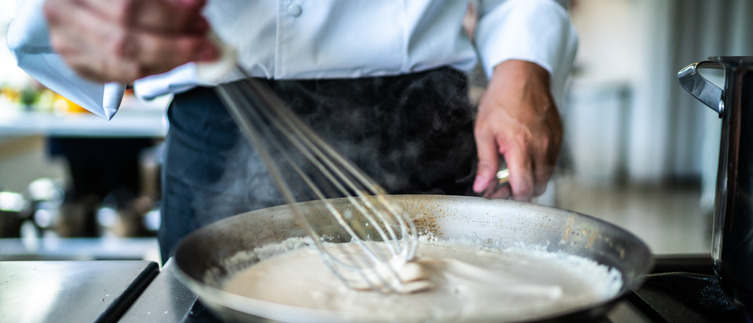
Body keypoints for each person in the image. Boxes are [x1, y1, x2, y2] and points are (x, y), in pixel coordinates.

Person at [8, 0, 578, 261]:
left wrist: (524, 60)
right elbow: (53, 15)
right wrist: (76, 18)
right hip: (224, 135)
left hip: (422, 128)